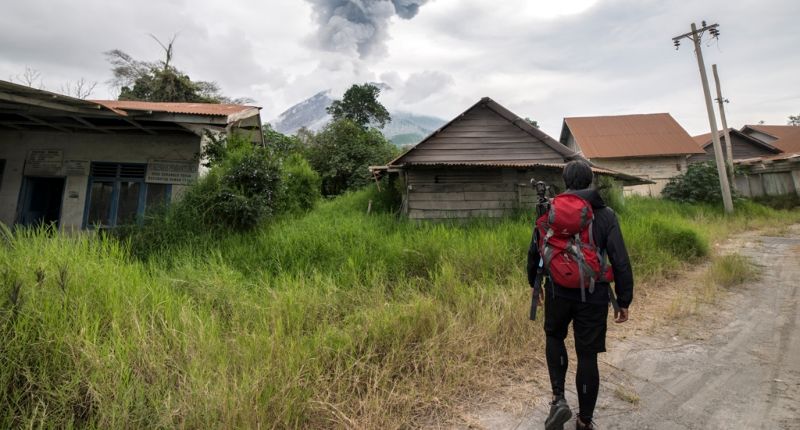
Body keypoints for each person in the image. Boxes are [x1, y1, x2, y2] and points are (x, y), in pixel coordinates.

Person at [527, 160, 634, 430]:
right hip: (595, 293)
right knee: (587, 355)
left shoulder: (551, 210)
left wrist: (534, 284)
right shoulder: (605, 214)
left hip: (556, 290)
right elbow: (620, 260)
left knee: (554, 337)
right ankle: (584, 421)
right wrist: (624, 299)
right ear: (589, 181)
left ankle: (558, 399)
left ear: (566, 181)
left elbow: (536, 248)